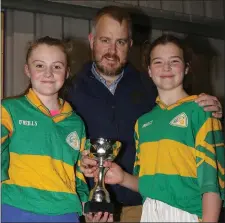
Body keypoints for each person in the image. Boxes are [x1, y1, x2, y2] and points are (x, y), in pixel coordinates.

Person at [66, 6, 223, 222]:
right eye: (105, 40)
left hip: (144, 209)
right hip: (94, 211)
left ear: (130, 45)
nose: (112, 50)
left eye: (120, 42)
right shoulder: (67, 90)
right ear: (92, 40)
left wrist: (212, 105)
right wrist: (79, 162)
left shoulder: (150, 86)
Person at [98, 34, 225, 222]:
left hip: (187, 214)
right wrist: (123, 177)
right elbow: (148, 184)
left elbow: (211, 184)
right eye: (158, 62)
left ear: (187, 67)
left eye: (174, 61)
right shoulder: (143, 123)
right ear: (149, 70)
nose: (166, 68)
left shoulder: (201, 110)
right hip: (149, 213)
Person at [1, 36, 112, 223]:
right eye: (39, 66)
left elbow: (78, 173)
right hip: (17, 208)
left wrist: (86, 206)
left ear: (67, 72)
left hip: (65, 212)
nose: (48, 73)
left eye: (57, 66)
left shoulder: (76, 122)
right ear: (27, 70)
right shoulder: (9, 110)